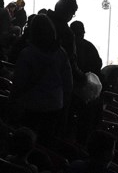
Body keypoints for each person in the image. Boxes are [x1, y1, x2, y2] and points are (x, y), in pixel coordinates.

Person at [10, 13, 73, 143]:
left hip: (31, 104)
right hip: (55, 104)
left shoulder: (27, 54)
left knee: (28, 139)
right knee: (47, 140)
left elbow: (19, 82)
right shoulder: (60, 53)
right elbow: (68, 82)